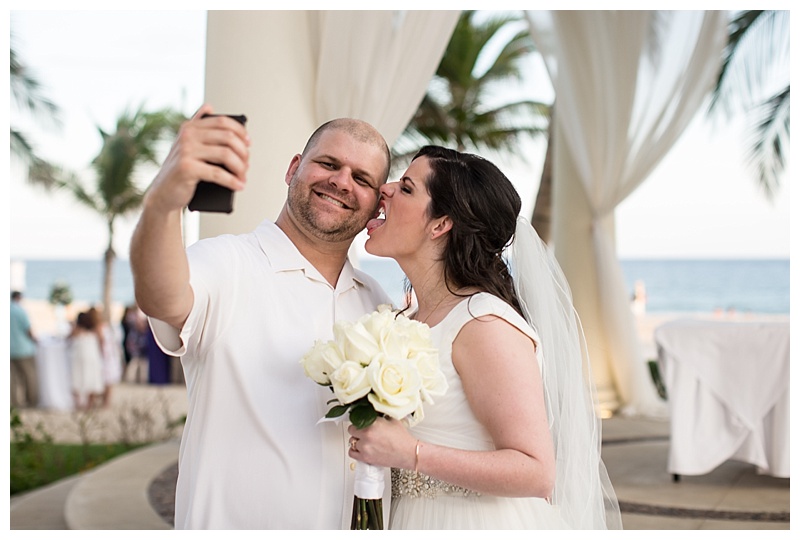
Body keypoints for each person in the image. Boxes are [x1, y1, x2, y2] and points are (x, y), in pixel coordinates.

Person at [129, 105, 393, 529]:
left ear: (376, 204)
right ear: (294, 169)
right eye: (328, 163)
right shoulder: (227, 262)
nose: (341, 182)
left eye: (361, 178)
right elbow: (161, 297)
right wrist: (163, 203)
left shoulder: (376, 300)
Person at [349, 146, 622, 529]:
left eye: (407, 188)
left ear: (440, 224)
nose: (386, 189)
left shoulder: (483, 323)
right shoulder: (406, 317)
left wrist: (410, 453)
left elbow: (536, 471)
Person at [68, 311, 105, 410]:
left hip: (79, 355)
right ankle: (89, 405)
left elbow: (69, 338)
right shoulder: (95, 328)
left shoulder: (77, 329)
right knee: (92, 378)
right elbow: (101, 340)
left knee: (77, 377)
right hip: (92, 354)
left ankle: (78, 404)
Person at [10, 291, 38, 408]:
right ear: (19, 298)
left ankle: (14, 403)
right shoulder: (20, 311)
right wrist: (35, 340)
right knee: (29, 376)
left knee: (12, 379)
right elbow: (28, 330)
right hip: (23, 349)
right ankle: (31, 402)